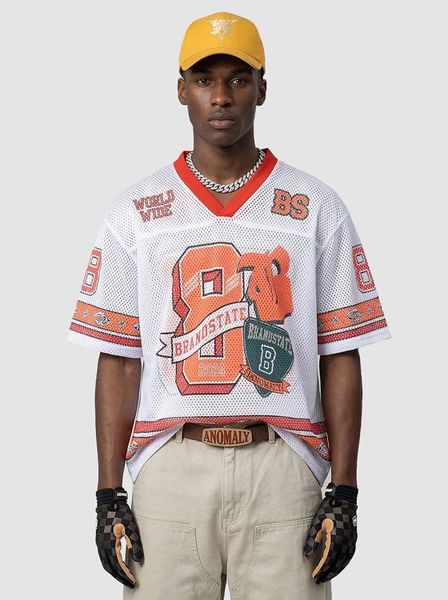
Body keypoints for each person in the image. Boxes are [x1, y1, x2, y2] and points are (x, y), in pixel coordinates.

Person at [67, 11, 391, 599]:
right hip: (171, 462)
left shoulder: (315, 206)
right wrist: (107, 492)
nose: (221, 96)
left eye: (239, 79)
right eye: (204, 79)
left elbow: (341, 352)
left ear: (262, 89)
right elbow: (118, 359)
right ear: (181, 90)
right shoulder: (136, 211)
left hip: (282, 462)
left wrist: (344, 491)